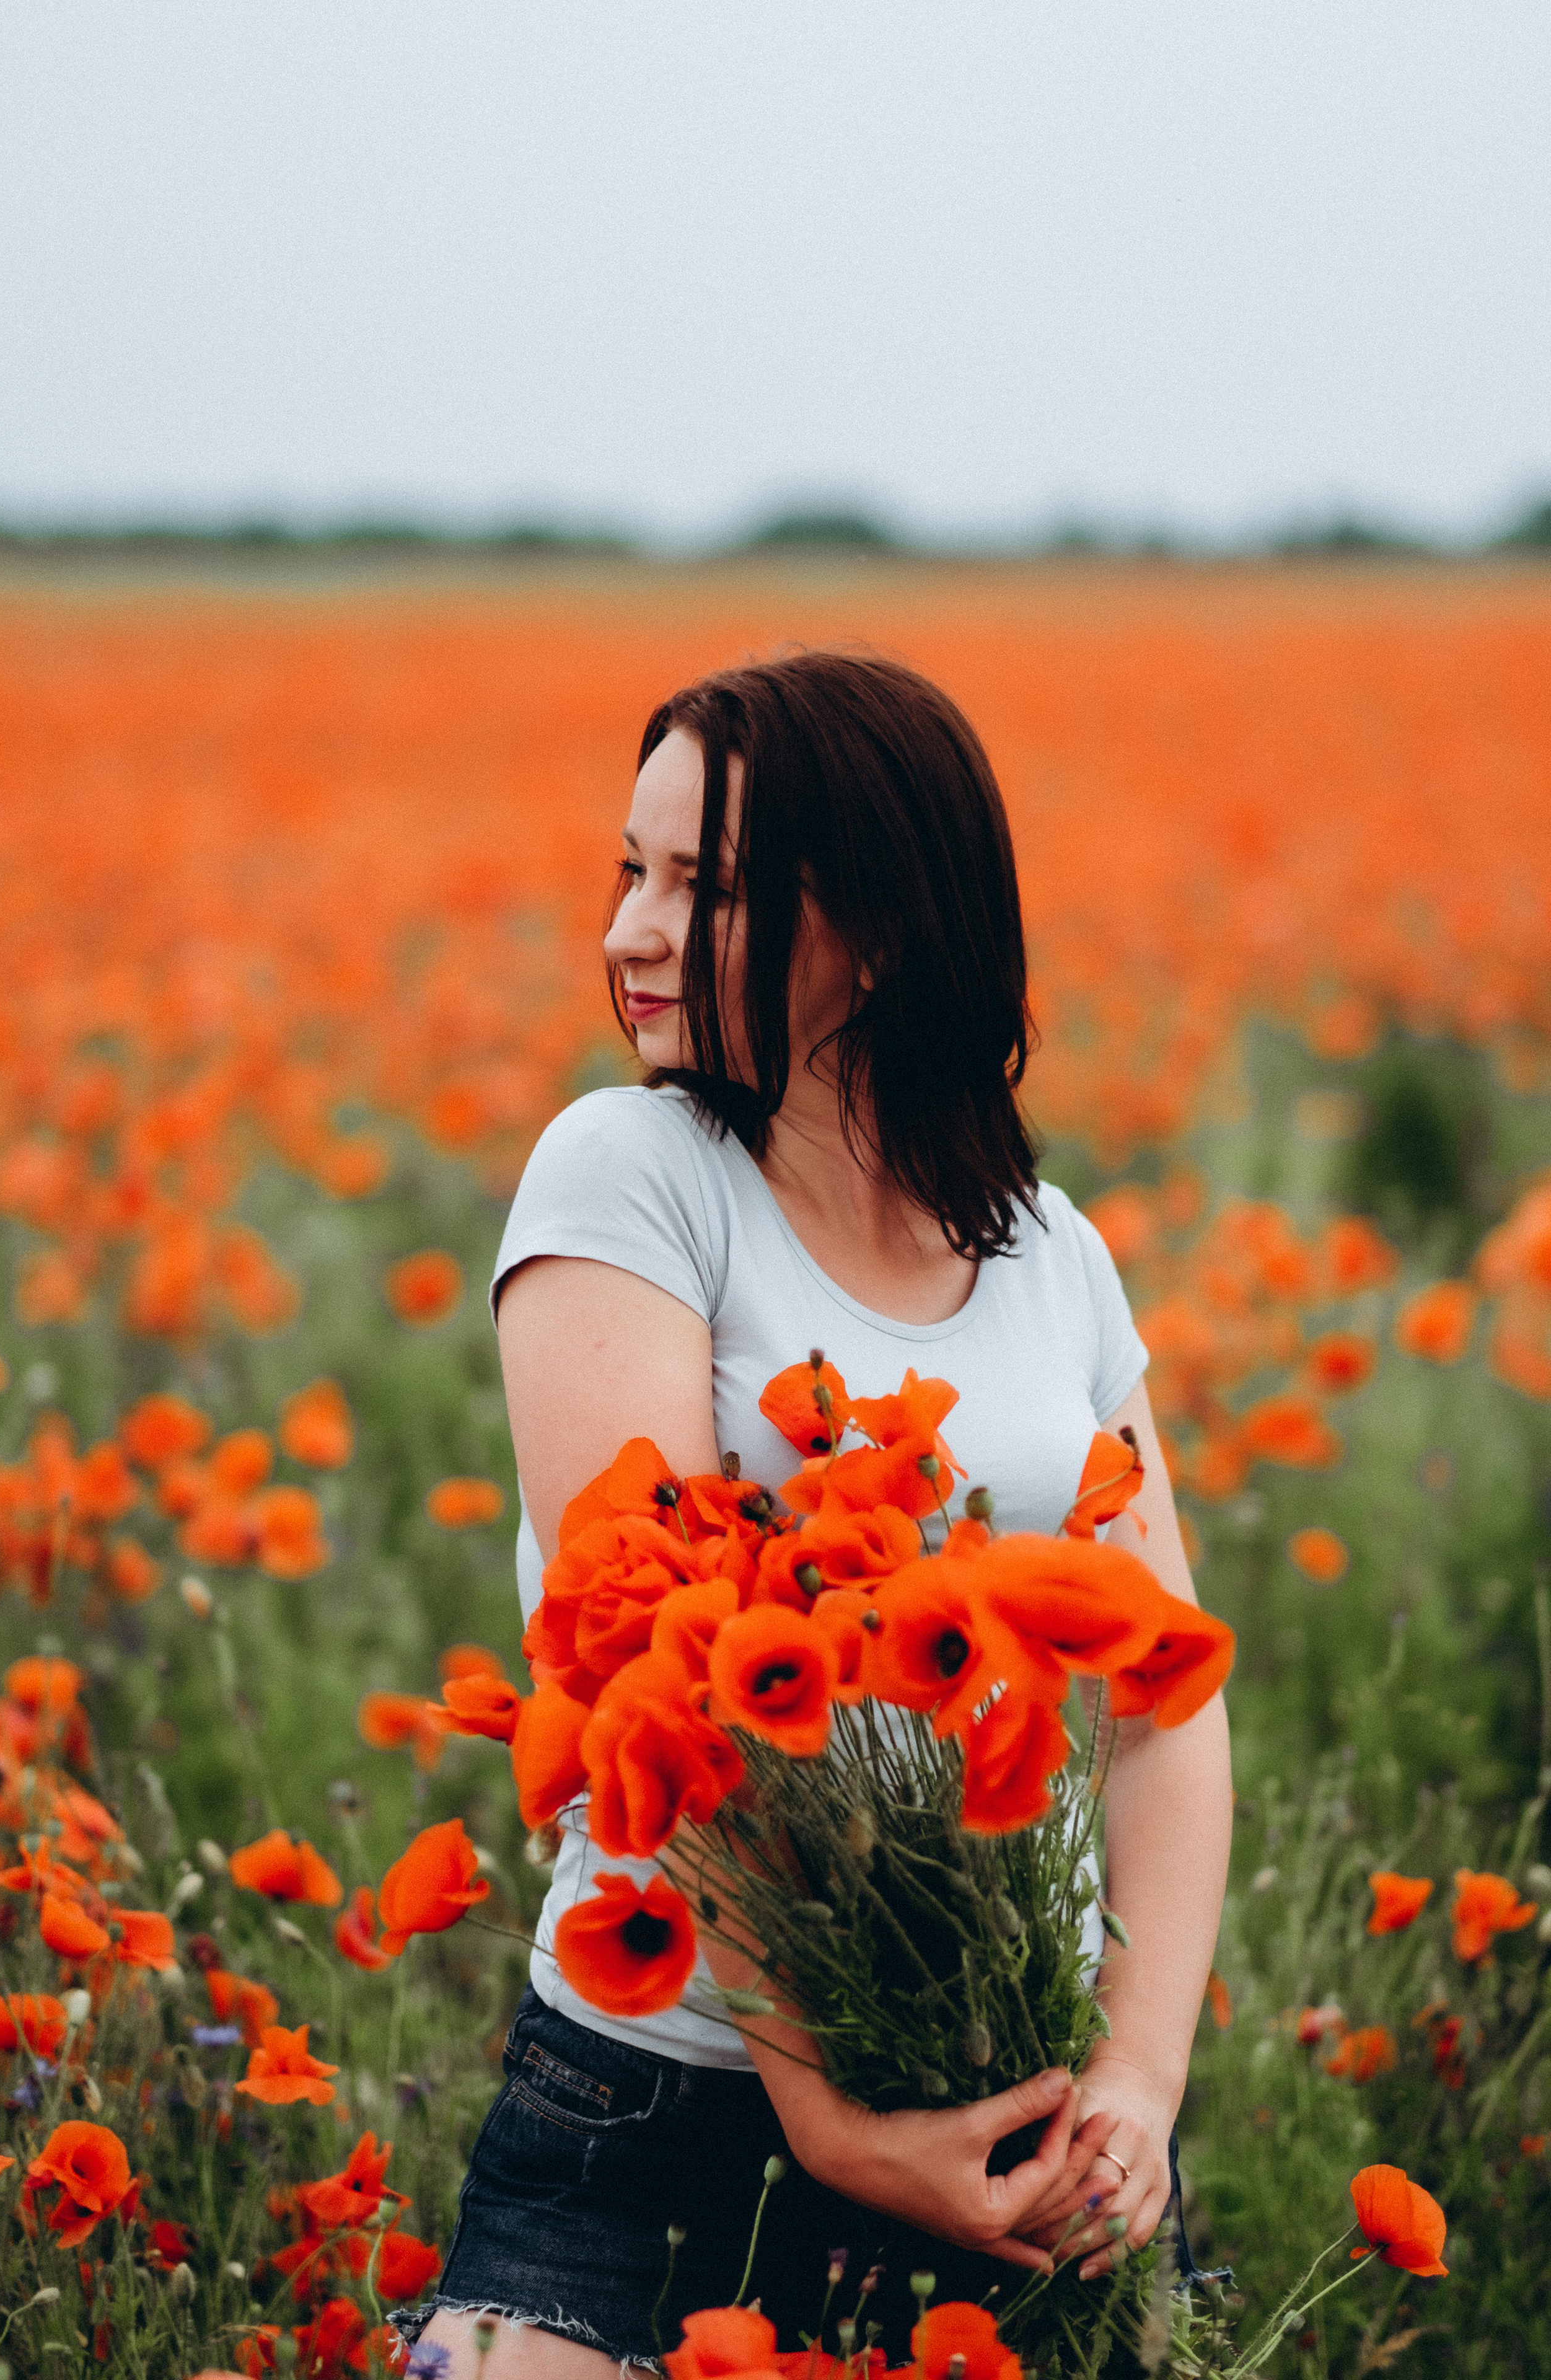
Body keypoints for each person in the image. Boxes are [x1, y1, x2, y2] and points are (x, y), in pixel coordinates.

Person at [410, 652, 1232, 2377]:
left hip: (1021, 2106)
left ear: (878, 918)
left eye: (698, 885)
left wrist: (1141, 2090)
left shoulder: (1052, 1255)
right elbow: (665, 1659)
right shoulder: (628, 1178)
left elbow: (1167, 1703)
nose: (631, 930)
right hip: (668, 2116)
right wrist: (834, 2115)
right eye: (626, 873)